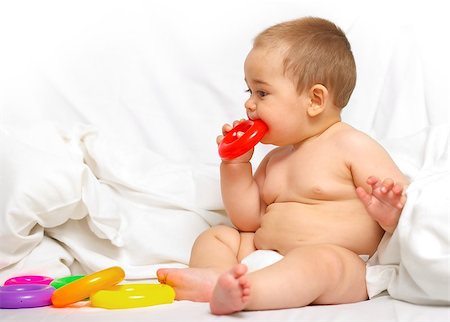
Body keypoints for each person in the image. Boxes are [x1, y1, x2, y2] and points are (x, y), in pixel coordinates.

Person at [157, 16, 408, 315]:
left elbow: (405, 208)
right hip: (265, 255)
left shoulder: (352, 146)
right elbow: (247, 221)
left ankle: (248, 294)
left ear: (315, 100)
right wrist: (235, 165)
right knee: (217, 236)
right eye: (248, 92)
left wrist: (392, 214)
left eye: (262, 93)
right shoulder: (275, 160)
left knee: (321, 262)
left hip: (345, 267)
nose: (250, 104)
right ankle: (217, 277)